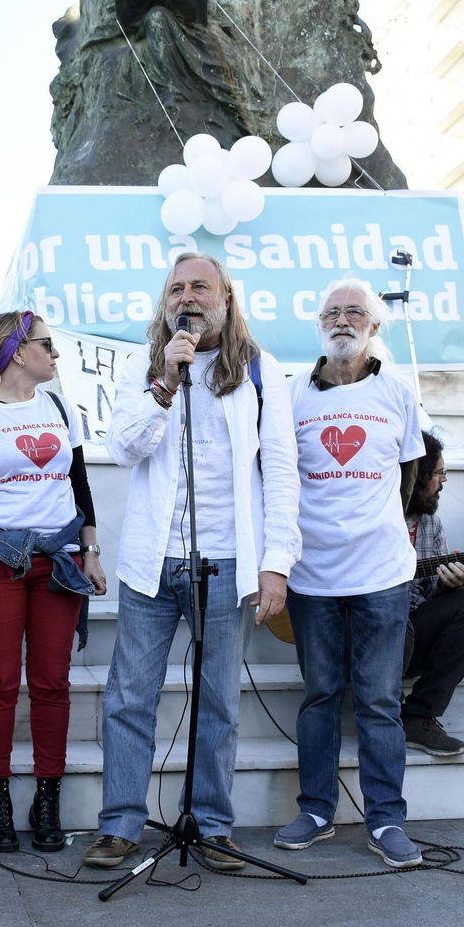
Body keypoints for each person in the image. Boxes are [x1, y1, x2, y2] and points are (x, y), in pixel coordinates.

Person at [84, 253, 299, 872]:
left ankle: (209, 825)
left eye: (200, 285)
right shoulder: (145, 366)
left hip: (229, 560)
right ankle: (121, 825)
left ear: (226, 297)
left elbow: (281, 471)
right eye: (177, 288)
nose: (189, 296)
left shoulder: (261, 370)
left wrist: (276, 562)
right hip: (152, 559)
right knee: (129, 698)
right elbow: (123, 448)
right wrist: (164, 383)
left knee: (219, 703)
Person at [272, 278, 425, 869]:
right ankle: (316, 809)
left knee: (381, 700)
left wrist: (385, 529)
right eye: (332, 311)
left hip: (383, 574)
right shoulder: (291, 395)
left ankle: (387, 820)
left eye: (354, 311)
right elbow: (276, 474)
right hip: (311, 576)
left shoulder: (398, 391)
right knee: (319, 695)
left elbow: (412, 472)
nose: (342, 319)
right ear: (318, 324)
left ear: (374, 326)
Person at [0, 312, 105, 853]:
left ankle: (47, 799)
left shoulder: (61, 408)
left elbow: (79, 486)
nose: (56, 355)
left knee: (52, 683)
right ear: (16, 351)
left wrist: (91, 552)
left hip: (57, 561)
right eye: (47, 346)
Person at [403, 431, 464, 757]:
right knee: (386, 610)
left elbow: (429, 593)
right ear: (416, 476)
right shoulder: (365, 514)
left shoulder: (429, 521)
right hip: (357, 637)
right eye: (439, 473)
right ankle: (377, 714)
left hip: (410, 636)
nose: (444, 481)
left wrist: (448, 584)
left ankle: (417, 715)